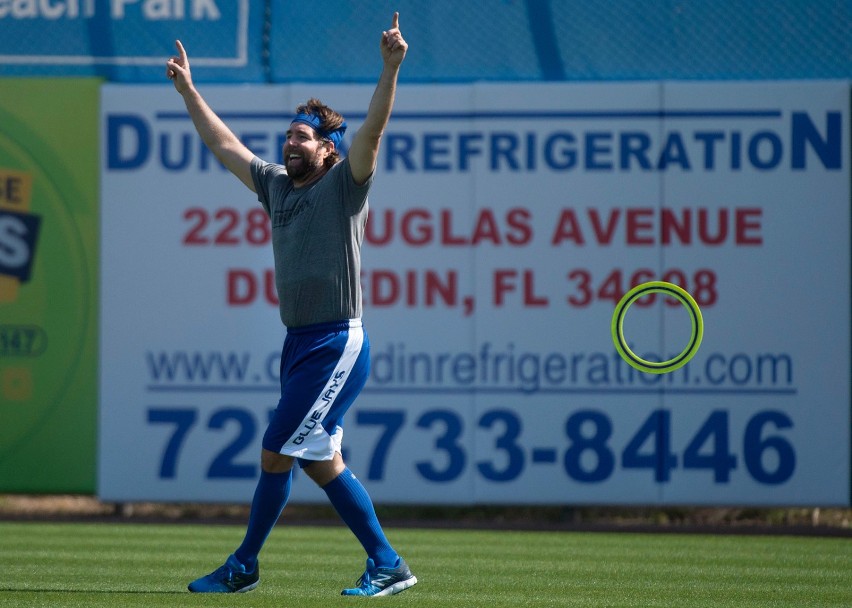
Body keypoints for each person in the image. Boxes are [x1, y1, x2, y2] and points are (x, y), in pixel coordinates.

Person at [165, 12, 415, 597]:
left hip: (336, 342)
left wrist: (390, 67)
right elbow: (223, 143)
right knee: (319, 462)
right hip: (298, 344)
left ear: (327, 149)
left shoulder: (344, 184)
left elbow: (372, 134)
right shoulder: (277, 185)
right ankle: (387, 561)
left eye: (302, 136)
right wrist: (189, 92)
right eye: (288, 135)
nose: (289, 142)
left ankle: (244, 564)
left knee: (276, 452)